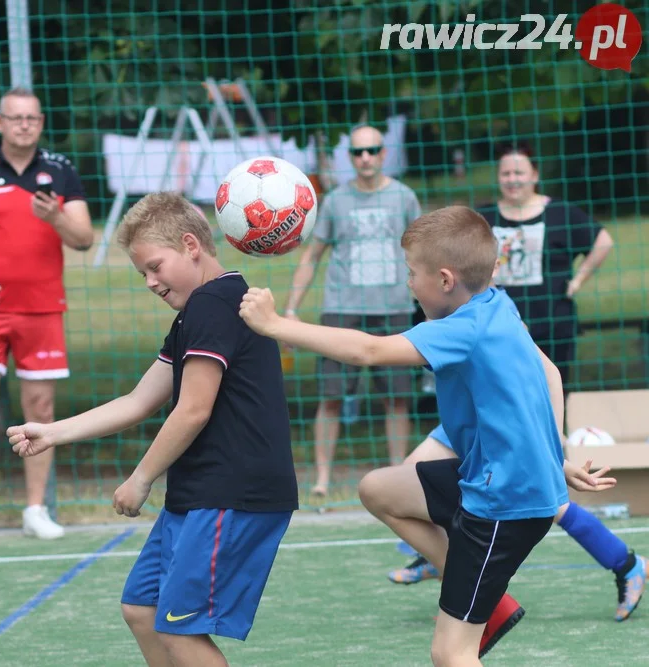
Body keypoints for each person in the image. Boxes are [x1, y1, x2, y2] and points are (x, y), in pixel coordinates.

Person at [239, 206, 615, 664]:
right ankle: (487, 599)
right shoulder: (496, 302)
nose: (407, 283)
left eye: (410, 273)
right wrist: (554, 451)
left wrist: (276, 326)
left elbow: (369, 351)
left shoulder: (462, 329)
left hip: (503, 504)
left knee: (451, 654)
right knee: (378, 488)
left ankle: (480, 601)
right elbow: (549, 371)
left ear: (443, 280)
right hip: (495, 479)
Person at [7, 192, 298, 667]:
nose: (150, 281)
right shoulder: (200, 309)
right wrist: (53, 432)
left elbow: (192, 410)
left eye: (155, 267)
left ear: (191, 245)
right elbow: (139, 399)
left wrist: (140, 478)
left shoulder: (214, 305)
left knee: (182, 634)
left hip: (232, 495)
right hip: (200, 493)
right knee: (142, 608)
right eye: (142, 273)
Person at [0, 87, 94, 544]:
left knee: (40, 409)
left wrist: (56, 219)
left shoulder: (60, 172)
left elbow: (84, 238)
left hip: (42, 308)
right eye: (15, 117)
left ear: (41, 123)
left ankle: (35, 509)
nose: (24, 124)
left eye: (32, 118)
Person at [282, 124, 422, 496]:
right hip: (342, 310)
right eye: (358, 152)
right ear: (350, 157)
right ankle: (323, 479)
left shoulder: (405, 197)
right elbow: (312, 256)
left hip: (392, 309)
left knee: (396, 397)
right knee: (330, 396)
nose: (365, 158)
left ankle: (397, 475)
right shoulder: (336, 201)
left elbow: (422, 253)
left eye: (372, 150)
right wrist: (292, 308)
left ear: (383, 154)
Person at [387, 424, 646, 622]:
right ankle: (443, 558)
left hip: (502, 419)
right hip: (466, 412)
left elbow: (548, 372)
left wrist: (550, 437)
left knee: (543, 503)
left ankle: (626, 564)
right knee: (410, 476)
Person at [477, 142, 614, 392]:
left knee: (552, 394)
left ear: (535, 175)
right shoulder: (484, 217)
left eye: (519, 173)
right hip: (499, 327)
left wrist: (578, 281)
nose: (512, 179)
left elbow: (603, 242)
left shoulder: (560, 213)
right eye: (506, 173)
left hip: (553, 325)